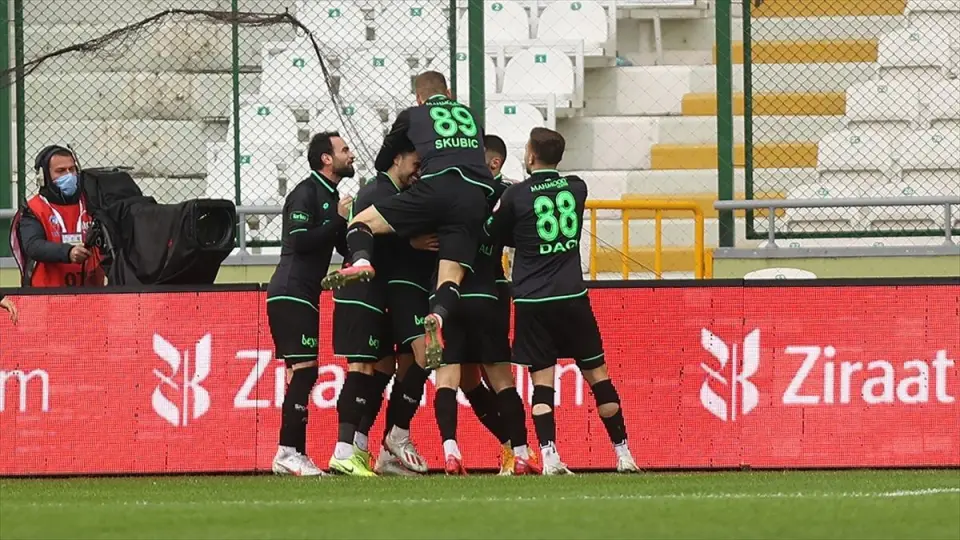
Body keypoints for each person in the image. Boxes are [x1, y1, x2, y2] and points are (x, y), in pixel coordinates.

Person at [485, 127, 641, 475]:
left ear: (530, 156)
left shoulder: (516, 195)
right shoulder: (576, 187)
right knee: (598, 376)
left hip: (532, 301)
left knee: (542, 381)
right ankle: (623, 454)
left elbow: (494, 233)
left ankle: (551, 457)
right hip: (572, 296)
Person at [321, 71, 496, 370]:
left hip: (435, 188)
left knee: (361, 223)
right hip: (473, 198)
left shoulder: (413, 115)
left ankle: (361, 261)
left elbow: (381, 162)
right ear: (449, 93)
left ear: (419, 98)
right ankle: (437, 317)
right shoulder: (470, 116)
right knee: (450, 277)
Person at [432, 135, 536, 476]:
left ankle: (451, 451)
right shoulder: (508, 194)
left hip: (449, 295)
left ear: (491, 161)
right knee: (500, 379)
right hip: (488, 293)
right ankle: (520, 452)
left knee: (451, 378)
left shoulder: (452, 192)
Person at [328, 146, 427, 477]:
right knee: (361, 368)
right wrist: (410, 241)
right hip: (360, 289)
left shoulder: (387, 190)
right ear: (397, 158)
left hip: (377, 290)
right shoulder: (379, 192)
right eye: (414, 163)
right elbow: (359, 232)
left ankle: (360, 446)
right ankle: (343, 451)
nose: (418, 171)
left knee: (381, 367)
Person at [266, 132, 355, 477]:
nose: (350, 155)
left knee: (300, 373)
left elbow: (343, 245)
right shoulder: (305, 192)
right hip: (290, 291)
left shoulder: (330, 196)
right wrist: (338, 219)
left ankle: (293, 453)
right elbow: (300, 239)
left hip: (304, 294)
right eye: (344, 150)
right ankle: (288, 453)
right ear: (326, 159)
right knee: (304, 372)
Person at [12, 146, 105, 288]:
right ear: (43, 176)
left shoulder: (92, 203)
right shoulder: (34, 208)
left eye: (72, 169)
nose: (69, 175)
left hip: (92, 292)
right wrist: (68, 252)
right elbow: (33, 246)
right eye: (61, 171)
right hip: (47, 294)